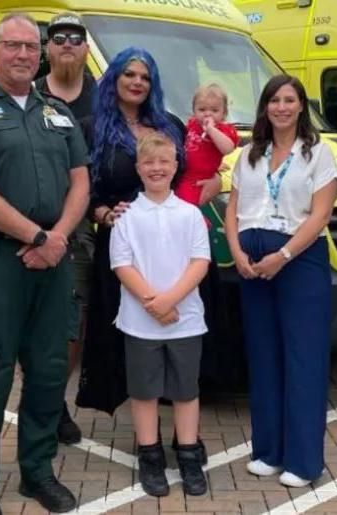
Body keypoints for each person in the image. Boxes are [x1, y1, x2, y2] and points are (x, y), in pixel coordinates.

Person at [0, 13, 90, 515]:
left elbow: (80, 184)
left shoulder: (58, 113)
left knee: (49, 371)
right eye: (13, 45)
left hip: (53, 258)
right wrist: (37, 236)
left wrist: (58, 238)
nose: (25, 54)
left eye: (32, 46)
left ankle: (38, 472)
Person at [224, 74, 337, 488]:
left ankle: (304, 461)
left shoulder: (318, 154)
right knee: (264, 356)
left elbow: (320, 214)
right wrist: (236, 251)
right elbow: (234, 207)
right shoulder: (249, 154)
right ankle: (269, 451)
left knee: (303, 359)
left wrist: (284, 255)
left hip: (298, 260)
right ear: (264, 107)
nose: (282, 107)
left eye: (290, 100)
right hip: (252, 262)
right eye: (274, 100)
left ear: (300, 105)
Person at [75, 46, 187, 417]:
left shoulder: (171, 125)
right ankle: (137, 413)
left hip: (171, 243)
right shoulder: (92, 128)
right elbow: (78, 187)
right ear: (114, 78)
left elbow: (191, 176)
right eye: (130, 74)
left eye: (145, 77)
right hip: (120, 242)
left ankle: (172, 407)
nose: (138, 82)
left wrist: (212, 185)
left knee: (172, 320)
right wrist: (102, 211)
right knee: (123, 325)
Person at [111, 131, 211, 497]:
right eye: (149, 162)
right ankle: (149, 455)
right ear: (138, 168)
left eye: (163, 162)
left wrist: (170, 301)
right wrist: (154, 302)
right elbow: (122, 264)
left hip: (184, 321)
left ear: (175, 166)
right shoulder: (126, 215)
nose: (156, 168)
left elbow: (200, 261)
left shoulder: (189, 213)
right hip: (140, 322)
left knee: (186, 392)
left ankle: (187, 453)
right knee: (144, 391)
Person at [33, 11, 98, 446]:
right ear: (48, 47)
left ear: (86, 48)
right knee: (32, 322)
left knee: (74, 322)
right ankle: (42, 401)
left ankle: (54, 399)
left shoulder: (102, 98)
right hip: (29, 229)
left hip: (80, 229)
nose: (68, 44)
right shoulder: (29, 94)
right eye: (59, 37)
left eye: (76, 37)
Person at [175, 83, 239, 207]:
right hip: (184, 173)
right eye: (202, 109)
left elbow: (228, 148)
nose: (207, 114)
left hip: (199, 179)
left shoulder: (223, 129)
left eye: (214, 110)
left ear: (224, 113)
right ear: (194, 110)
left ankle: (199, 221)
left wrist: (211, 130)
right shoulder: (193, 124)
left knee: (185, 204)